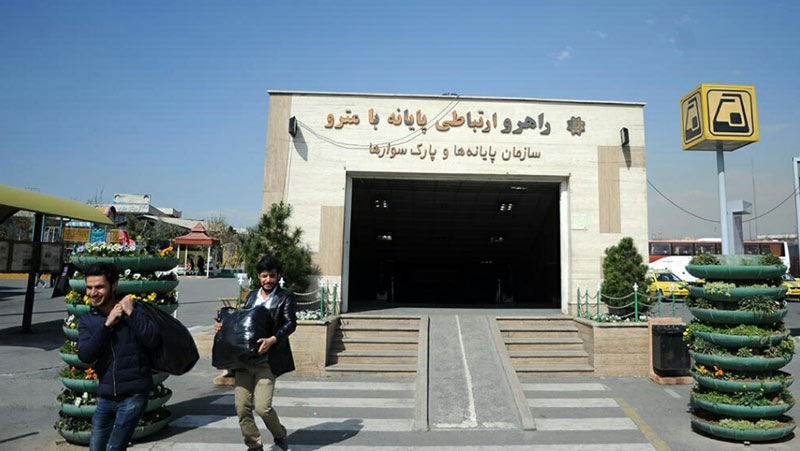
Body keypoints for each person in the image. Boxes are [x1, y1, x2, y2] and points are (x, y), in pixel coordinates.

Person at [214, 256, 296, 451]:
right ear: (259, 276)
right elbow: (241, 322)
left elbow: (290, 323)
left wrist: (272, 340)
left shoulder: (285, 296)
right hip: (244, 360)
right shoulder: (251, 296)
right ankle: (254, 445)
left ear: (278, 276)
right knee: (242, 407)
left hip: (267, 361)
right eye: (264, 276)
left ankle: (280, 434)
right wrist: (222, 326)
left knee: (262, 407)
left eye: (272, 276)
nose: (268, 280)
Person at [77, 262, 161, 451]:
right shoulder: (88, 319)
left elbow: (152, 339)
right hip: (106, 396)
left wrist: (130, 313)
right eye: (89, 287)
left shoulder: (135, 310)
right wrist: (107, 325)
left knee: (114, 448)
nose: (93, 292)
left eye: (99, 287)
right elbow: (86, 355)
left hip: (133, 395)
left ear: (114, 286)